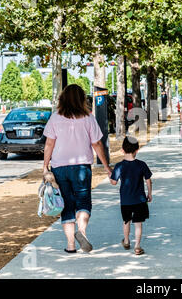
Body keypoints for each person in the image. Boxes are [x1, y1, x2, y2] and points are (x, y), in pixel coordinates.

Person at [43, 84, 112, 254]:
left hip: (59, 168)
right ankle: (81, 233)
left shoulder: (55, 118)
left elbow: (49, 143)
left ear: (63, 98)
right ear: (82, 99)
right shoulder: (88, 118)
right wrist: (106, 166)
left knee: (66, 206)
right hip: (82, 167)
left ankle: (71, 245)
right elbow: (96, 144)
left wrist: (45, 166)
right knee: (83, 202)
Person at [108, 136, 153, 256]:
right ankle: (137, 246)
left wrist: (110, 175)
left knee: (126, 221)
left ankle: (127, 241)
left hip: (125, 200)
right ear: (137, 150)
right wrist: (149, 193)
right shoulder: (141, 164)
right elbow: (148, 180)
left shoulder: (119, 166)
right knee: (138, 223)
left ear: (122, 150)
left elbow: (113, 182)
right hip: (140, 200)